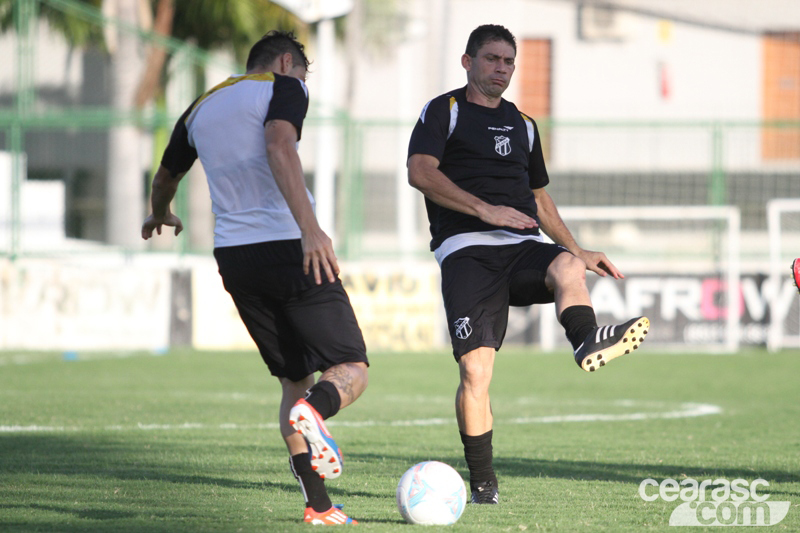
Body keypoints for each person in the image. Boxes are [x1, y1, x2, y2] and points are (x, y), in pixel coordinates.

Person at [407, 24, 650, 505]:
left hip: (520, 247)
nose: (501, 68)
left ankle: (585, 341)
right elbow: (420, 172)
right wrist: (485, 210)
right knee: (476, 373)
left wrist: (577, 248)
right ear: (468, 62)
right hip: (467, 251)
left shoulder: (524, 124)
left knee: (566, 268)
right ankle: (483, 484)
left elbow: (538, 197)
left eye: (508, 61)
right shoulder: (445, 111)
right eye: (492, 59)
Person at [141, 30, 367, 526]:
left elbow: (164, 180)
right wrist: (311, 231)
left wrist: (160, 214)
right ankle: (319, 413)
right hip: (290, 246)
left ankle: (319, 505)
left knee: (293, 381)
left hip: (236, 259)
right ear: (287, 62)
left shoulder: (201, 105)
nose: (303, 84)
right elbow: (279, 145)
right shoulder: (284, 86)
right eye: (302, 74)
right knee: (351, 366)